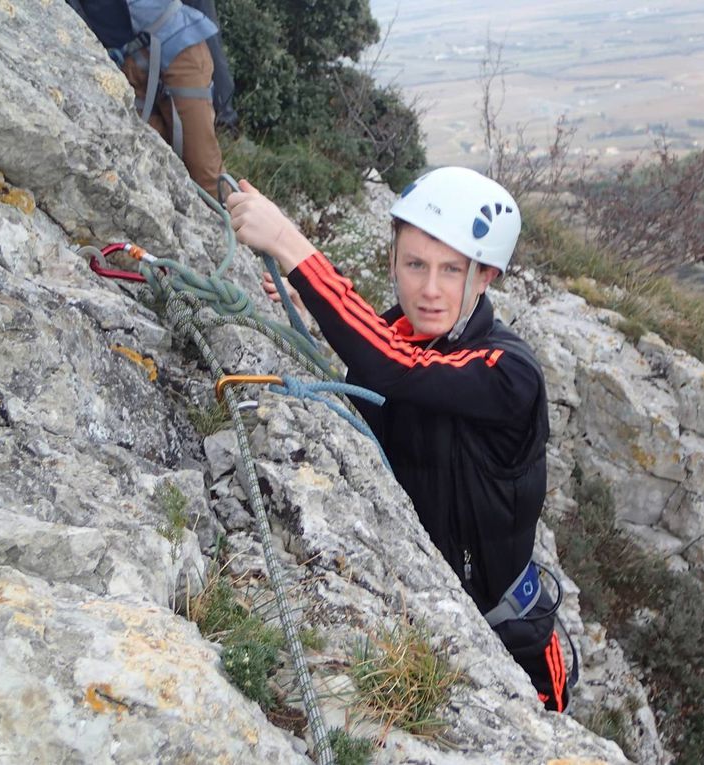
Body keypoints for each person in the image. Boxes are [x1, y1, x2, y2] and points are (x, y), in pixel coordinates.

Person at [226, 167, 571, 712]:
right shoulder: (396, 333)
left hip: (506, 637)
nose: (429, 289)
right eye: (414, 265)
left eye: (450, 270)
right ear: (393, 263)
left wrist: (290, 245)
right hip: (415, 611)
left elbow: (394, 369)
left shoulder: (509, 372)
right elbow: (381, 348)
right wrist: (312, 294)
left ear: (484, 278)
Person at [67, 0, 225, 195]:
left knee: (204, 174)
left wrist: (224, 92)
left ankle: (230, 219)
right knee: (155, 169)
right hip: (130, 65)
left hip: (178, 48)